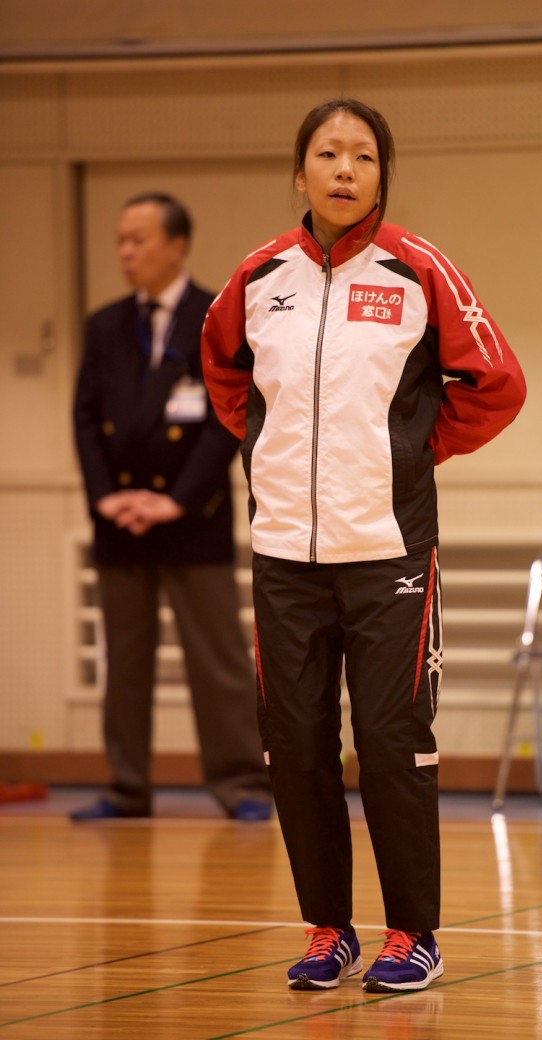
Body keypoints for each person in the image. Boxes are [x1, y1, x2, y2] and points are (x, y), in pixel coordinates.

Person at [201, 98, 526, 992]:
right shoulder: (258, 275)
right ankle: (328, 930)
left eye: (364, 157)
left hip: (388, 552)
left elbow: (496, 384)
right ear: (299, 172)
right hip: (284, 556)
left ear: (383, 175)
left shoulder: (419, 269)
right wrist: (265, 449)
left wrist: (411, 450)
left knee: (390, 740)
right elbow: (224, 371)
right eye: (328, 154)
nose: (345, 170)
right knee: (295, 743)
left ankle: (413, 933)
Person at [71, 191, 272, 823]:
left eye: (138, 239)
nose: (125, 252)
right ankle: (127, 787)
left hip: (193, 519)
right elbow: (85, 418)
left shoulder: (216, 317)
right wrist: (107, 497)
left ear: (177, 246)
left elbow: (226, 420)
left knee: (218, 660)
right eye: (120, 240)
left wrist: (176, 501)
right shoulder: (104, 325)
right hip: (121, 521)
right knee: (124, 662)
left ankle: (242, 783)